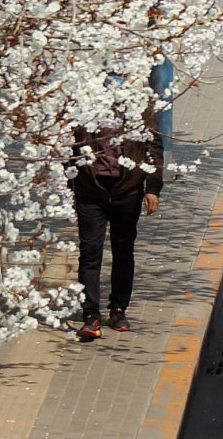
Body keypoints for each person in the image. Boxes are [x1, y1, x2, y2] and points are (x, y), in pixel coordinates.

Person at [69, 118, 163, 341]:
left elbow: (153, 148)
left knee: (123, 251)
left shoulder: (140, 108)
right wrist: (68, 188)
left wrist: (153, 188)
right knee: (90, 253)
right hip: (90, 191)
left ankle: (118, 308)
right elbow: (65, 148)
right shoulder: (82, 104)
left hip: (127, 191)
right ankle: (90, 314)